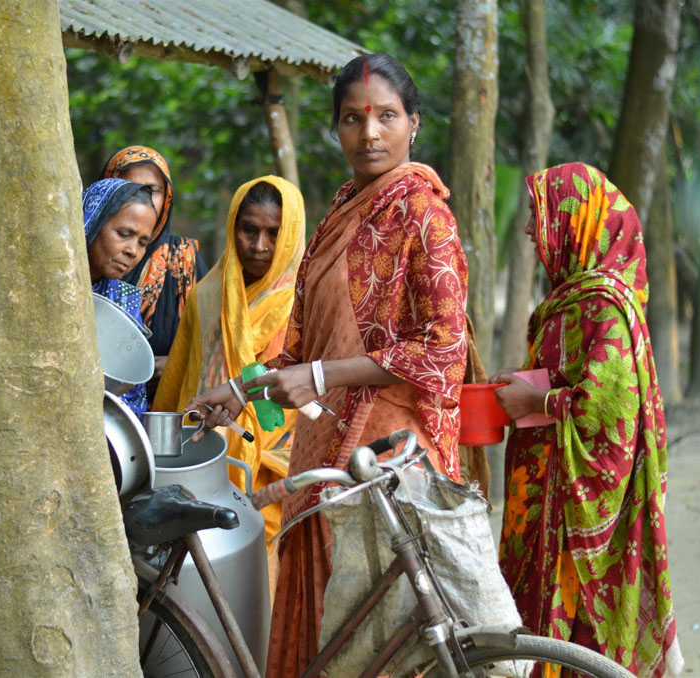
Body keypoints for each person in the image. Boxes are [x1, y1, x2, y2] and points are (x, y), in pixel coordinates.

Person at [185, 54, 471, 677]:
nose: (369, 133)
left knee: (386, 634)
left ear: (413, 124)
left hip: (389, 456)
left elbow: (444, 350)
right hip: (322, 451)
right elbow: (300, 347)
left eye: (386, 116)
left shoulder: (426, 216)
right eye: (352, 118)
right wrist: (241, 388)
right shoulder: (340, 211)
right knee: (326, 629)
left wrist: (320, 378)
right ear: (335, 127)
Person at [492, 162, 684, 677]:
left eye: (539, 214)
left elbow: (609, 415)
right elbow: (568, 376)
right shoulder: (569, 298)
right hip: (539, 499)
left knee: (571, 644)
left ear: (575, 218)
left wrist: (537, 403)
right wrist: (525, 383)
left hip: (572, 514)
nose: (531, 229)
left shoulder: (604, 305)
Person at [154, 176, 305, 549]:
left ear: (290, 236)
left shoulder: (308, 301)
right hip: (204, 460)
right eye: (249, 230)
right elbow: (179, 382)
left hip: (281, 470)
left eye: (274, 233)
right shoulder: (207, 295)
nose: (259, 246)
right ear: (232, 228)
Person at [100, 146, 209, 396]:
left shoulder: (184, 259)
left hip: (166, 408)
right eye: (127, 187)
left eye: (152, 190)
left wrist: (174, 364)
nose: (142, 198)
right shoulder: (82, 263)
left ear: (167, 197)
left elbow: (212, 346)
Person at [83, 177, 159, 416]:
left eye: (143, 242)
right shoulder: (45, 288)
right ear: (92, 219)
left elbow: (131, 390)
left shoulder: (125, 300)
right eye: (124, 233)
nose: (132, 251)